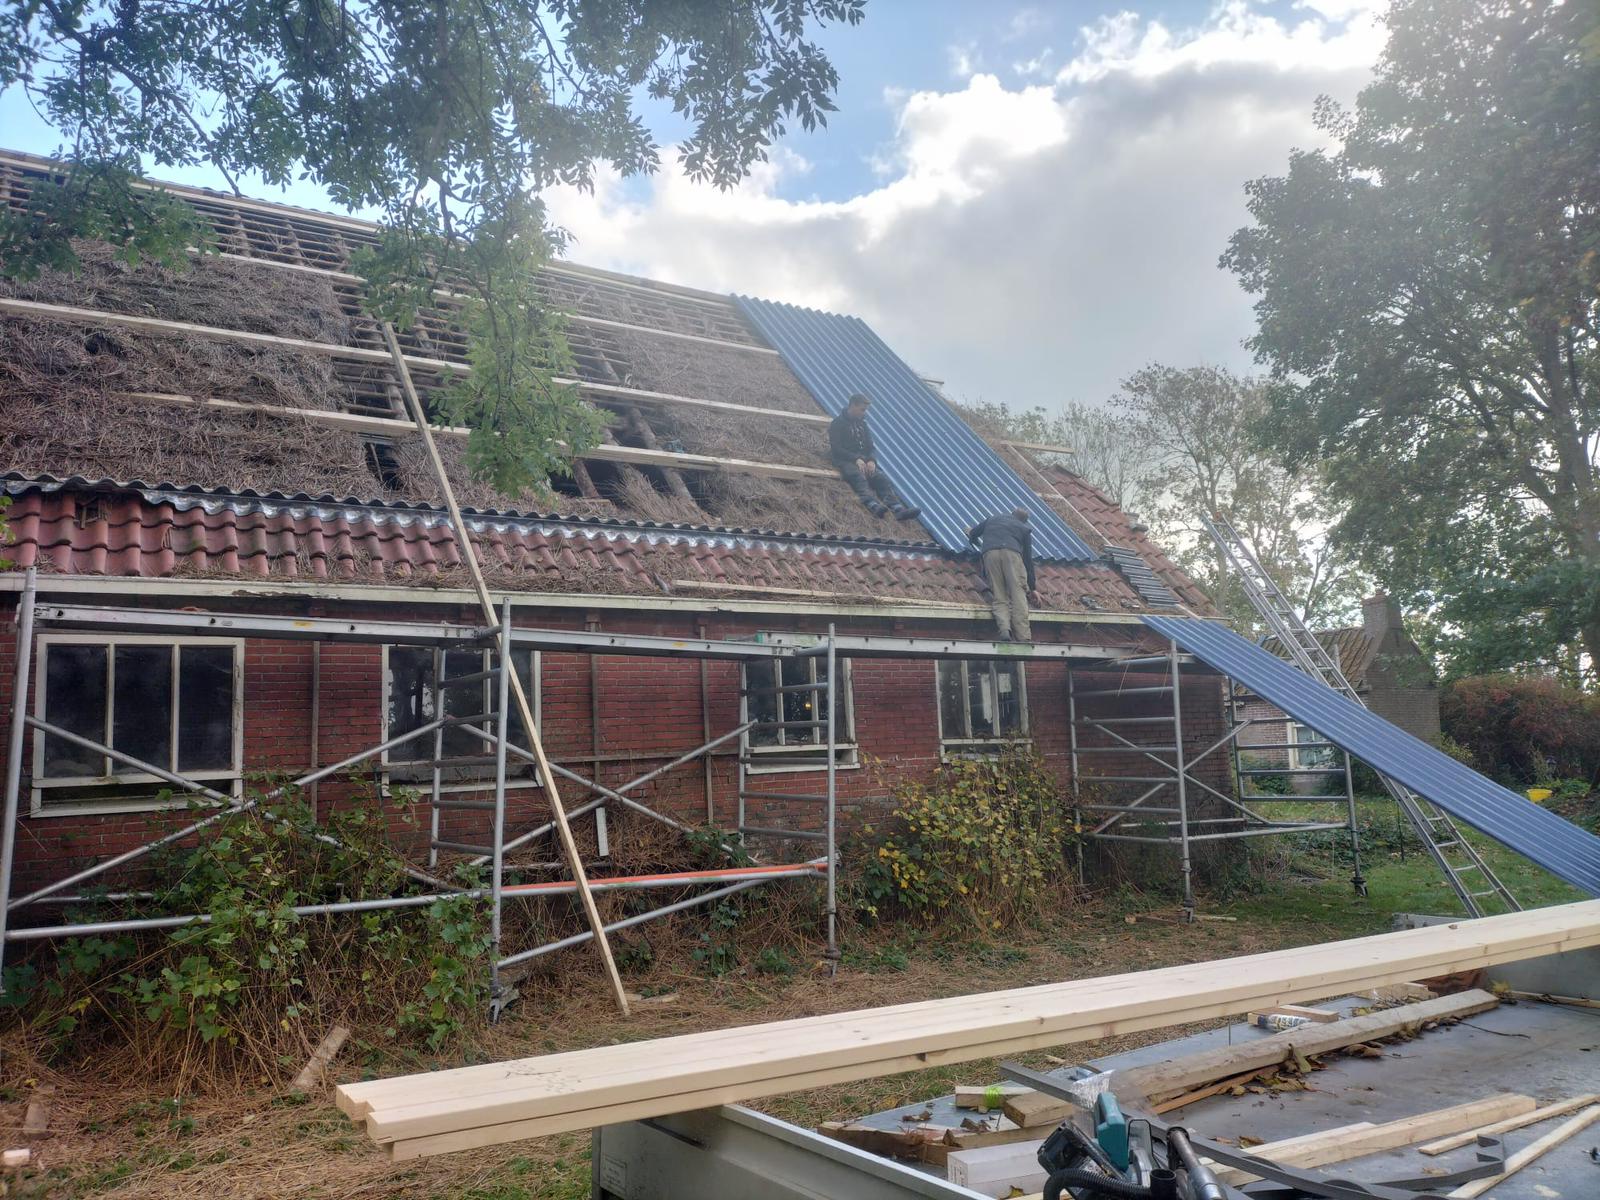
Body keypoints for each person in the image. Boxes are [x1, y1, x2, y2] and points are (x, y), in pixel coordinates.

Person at [827, 393, 921, 520]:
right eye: (862, 409)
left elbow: (870, 446)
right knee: (858, 477)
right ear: (853, 405)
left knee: (881, 478)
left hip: (863, 460)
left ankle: (897, 509)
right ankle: (872, 505)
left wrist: (871, 460)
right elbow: (836, 449)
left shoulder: (862, 424)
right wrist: (855, 458)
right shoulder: (837, 423)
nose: (864, 412)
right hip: (844, 460)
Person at [968, 507, 1042, 641]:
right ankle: (1023, 636)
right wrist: (1033, 588)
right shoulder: (1024, 528)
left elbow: (973, 533)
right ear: (1024, 521)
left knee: (999, 595)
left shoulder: (993, 519)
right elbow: (1027, 560)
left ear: (1012, 514)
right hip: (1012, 555)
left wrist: (974, 541)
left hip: (989, 554)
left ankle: (1004, 630)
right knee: (1018, 595)